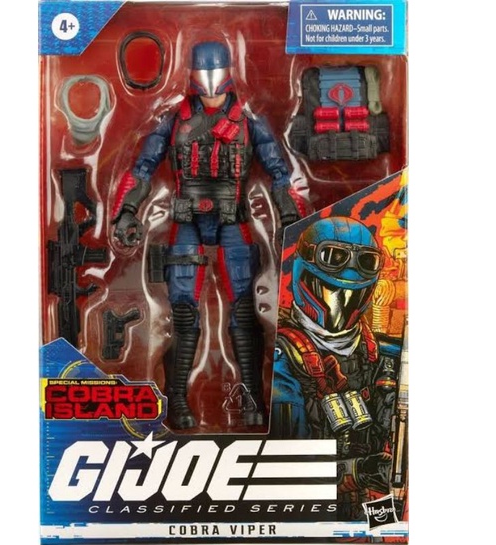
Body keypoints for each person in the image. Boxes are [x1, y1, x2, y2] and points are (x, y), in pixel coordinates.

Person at [112, 41, 301, 430]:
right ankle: (178, 401)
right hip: (187, 220)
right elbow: (143, 168)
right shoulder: (173, 119)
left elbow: (280, 173)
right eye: (204, 71)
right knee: (184, 313)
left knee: (244, 312)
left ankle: (253, 400)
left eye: (215, 71)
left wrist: (289, 218)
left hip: (234, 219)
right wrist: (127, 211)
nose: (210, 81)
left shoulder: (248, 120)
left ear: (228, 71)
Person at [271, 216, 398, 520]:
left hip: (372, 508)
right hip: (306, 515)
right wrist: (359, 471)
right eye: (331, 291)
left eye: (352, 294)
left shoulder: (382, 353)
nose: (341, 303)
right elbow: (281, 469)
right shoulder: (284, 355)